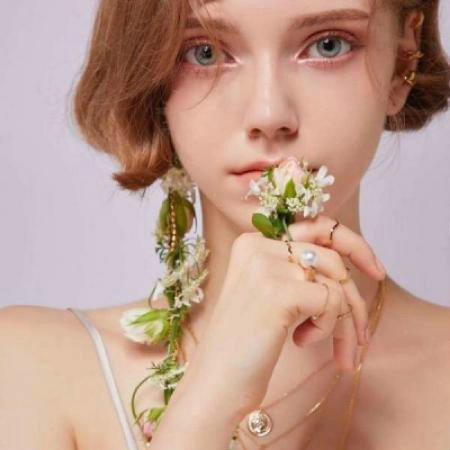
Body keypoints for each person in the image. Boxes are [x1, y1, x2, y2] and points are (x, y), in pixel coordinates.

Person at [1, 0, 449, 449]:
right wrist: (207, 403)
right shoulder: (32, 371)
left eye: (328, 45)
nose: (269, 114)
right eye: (205, 53)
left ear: (403, 62)